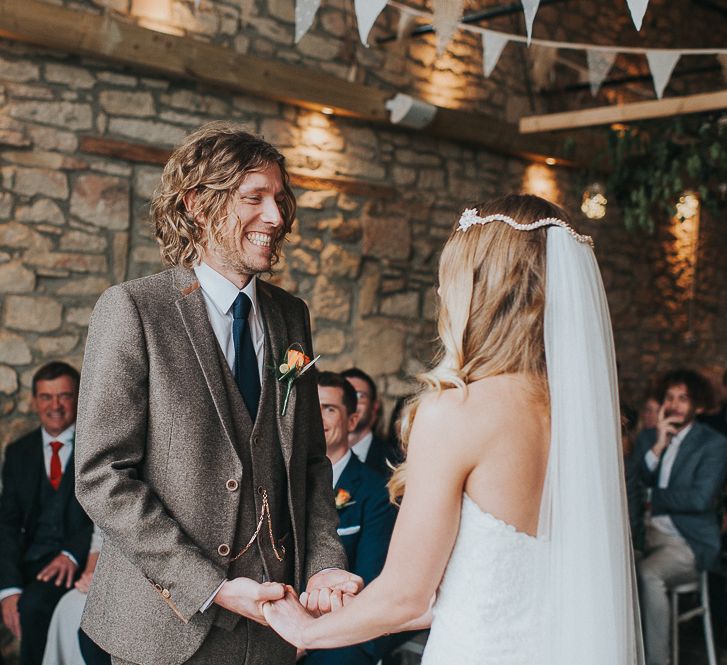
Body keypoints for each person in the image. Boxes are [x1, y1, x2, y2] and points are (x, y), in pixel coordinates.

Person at [263, 194, 643, 664]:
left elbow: (408, 596)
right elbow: (483, 582)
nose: (442, 295)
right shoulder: (583, 418)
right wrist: (360, 606)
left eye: (449, 280)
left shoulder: (458, 411)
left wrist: (306, 630)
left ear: (479, 290)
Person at [74, 123, 361, 665]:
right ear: (199, 205)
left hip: (275, 626)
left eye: (279, 199)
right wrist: (209, 586)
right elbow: (101, 476)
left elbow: (310, 466)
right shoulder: (133, 309)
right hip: (163, 630)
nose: (275, 217)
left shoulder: (291, 315)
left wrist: (323, 561)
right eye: (254, 198)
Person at [298, 372, 397, 665]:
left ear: (351, 421)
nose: (317, 419)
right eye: (311, 409)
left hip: (342, 639)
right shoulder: (285, 484)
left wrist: (307, 639)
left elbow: (370, 589)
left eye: (329, 409)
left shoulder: (376, 492)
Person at [632, 369, 727, 665]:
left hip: (685, 542)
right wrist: (658, 446)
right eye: (669, 397)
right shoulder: (649, 436)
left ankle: (657, 661)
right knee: (613, 568)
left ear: (698, 406)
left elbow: (700, 499)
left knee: (648, 574)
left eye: (683, 399)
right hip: (644, 535)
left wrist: (651, 498)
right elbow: (631, 481)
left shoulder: (713, 443)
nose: (673, 404)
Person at [0, 362, 93, 665]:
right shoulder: (18, 452)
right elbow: (8, 525)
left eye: (64, 396)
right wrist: (9, 589)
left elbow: (99, 516)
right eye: (46, 397)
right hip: (29, 561)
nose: (55, 406)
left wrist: (72, 554)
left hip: (76, 564)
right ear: (34, 401)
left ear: (78, 398)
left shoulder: (95, 446)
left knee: (35, 606)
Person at [42, 526, 109, 665]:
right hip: (107, 571)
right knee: (69, 604)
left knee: (90, 626)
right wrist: (90, 575)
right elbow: (99, 540)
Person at [341, 368, 400, 478]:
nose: (352, 401)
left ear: (374, 406)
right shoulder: (317, 456)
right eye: (345, 395)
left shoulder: (394, 459)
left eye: (360, 396)